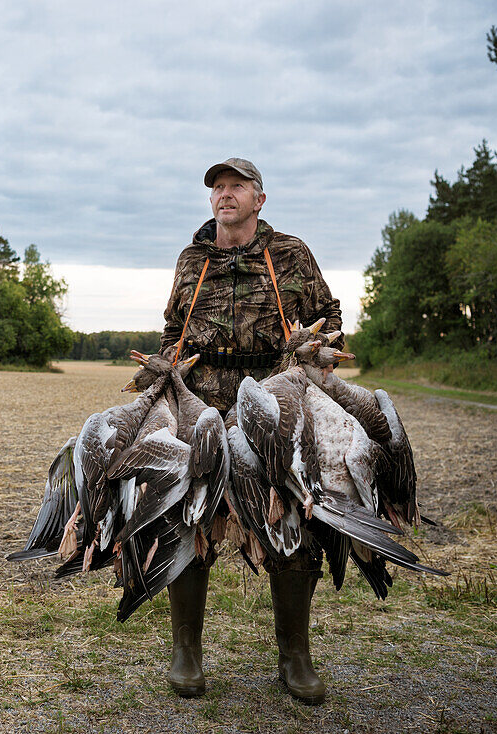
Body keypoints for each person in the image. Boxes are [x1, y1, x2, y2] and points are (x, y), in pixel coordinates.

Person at [159, 158, 343, 703]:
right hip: (204, 406)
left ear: (259, 199)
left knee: (290, 515)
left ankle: (296, 657)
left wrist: (315, 349)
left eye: (237, 186)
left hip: (276, 404)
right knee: (189, 516)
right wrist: (167, 369)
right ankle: (186, 653)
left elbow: (330, 317)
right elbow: (173, 326)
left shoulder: (291, 254)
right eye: (218, 187)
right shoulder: (191, 259)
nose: (225, 194)